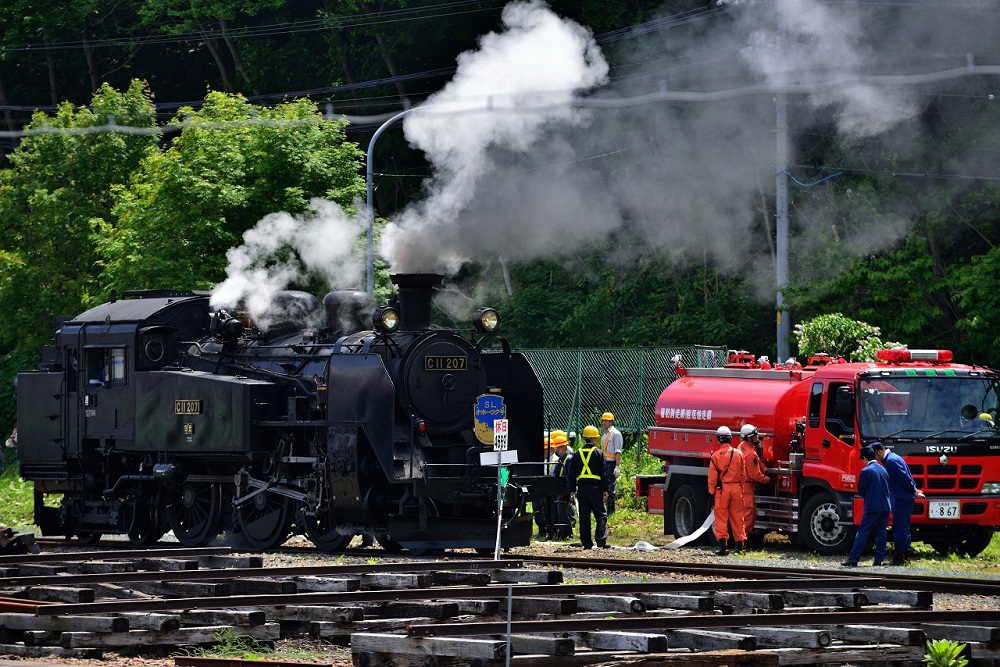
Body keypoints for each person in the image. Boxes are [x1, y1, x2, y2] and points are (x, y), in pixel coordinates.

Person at [872, 441, 924, 565]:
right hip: (903, 497)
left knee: (899, 529)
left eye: (874, 455)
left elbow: (904, 478)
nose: (874, 458)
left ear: (879, 452)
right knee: (903, 528)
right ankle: (905, 557)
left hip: (901, 498)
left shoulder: (891, 461)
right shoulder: (894, 458)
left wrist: (914, 490)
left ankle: (899, 559)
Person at [842, 446, 891, 566]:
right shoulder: (883, 469)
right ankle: (878, 560)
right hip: (885, 506)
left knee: (863, 532)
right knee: (881, 533)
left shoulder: (866, 471)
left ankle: (853, 559)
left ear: (865, 458)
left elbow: (861, 490)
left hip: (872, 506)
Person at [567, 425, 610, 550]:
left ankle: (586, 543)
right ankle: (601, 540)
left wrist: (572, 490)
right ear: (594, 439)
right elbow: (604, 473)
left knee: (585, 517)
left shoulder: (576, 454)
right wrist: (605, 490)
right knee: (601, 515)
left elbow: (571, 474)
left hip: (582, 489)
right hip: (595, 489)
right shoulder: (598, 453)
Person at [707, 425, 747, 556]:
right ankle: (740, 545)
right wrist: (740, 488)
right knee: (738, 517)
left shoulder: (716, 456)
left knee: (721, 517)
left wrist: (712, 492)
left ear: (718, 439)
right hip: (736, 488)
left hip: (722, 489)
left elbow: (712, 478)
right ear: (730, 439)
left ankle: (723, 547)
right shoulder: (739, 454)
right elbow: (743, 474)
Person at [737, 424, 771, 540]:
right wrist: (768, 480)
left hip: (740, 484)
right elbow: (755, 474)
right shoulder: (751, 453)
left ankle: (744, 537)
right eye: (755, 435)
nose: (758, 437)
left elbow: (756, 462)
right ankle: (744, 539)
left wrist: (764, 468)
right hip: (747, 486)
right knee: (748, 514)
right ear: (750, 437)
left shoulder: (742, 446)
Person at [547, 431, 576, 539]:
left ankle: (568, 533)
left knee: (563, 512)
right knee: (560, 512)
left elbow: (569, 475)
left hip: (564, 489)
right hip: (559, 489)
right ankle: (563, 532)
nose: (556, 450)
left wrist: (568, 492)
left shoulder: (568, 459)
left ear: (564, 447)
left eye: (558, 447)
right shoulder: (561, 458)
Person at [600, 412, 623, 515]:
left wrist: (617, 466)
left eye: (606, 421)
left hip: (611, 463)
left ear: (610, 422)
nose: (604, 423)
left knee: (610, 488)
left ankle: (611, 512)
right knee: (604, 487)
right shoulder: (605, 434)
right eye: (603, 421)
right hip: (604, 463)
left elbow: (618, 451)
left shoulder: (616, 434)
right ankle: (606, 511)